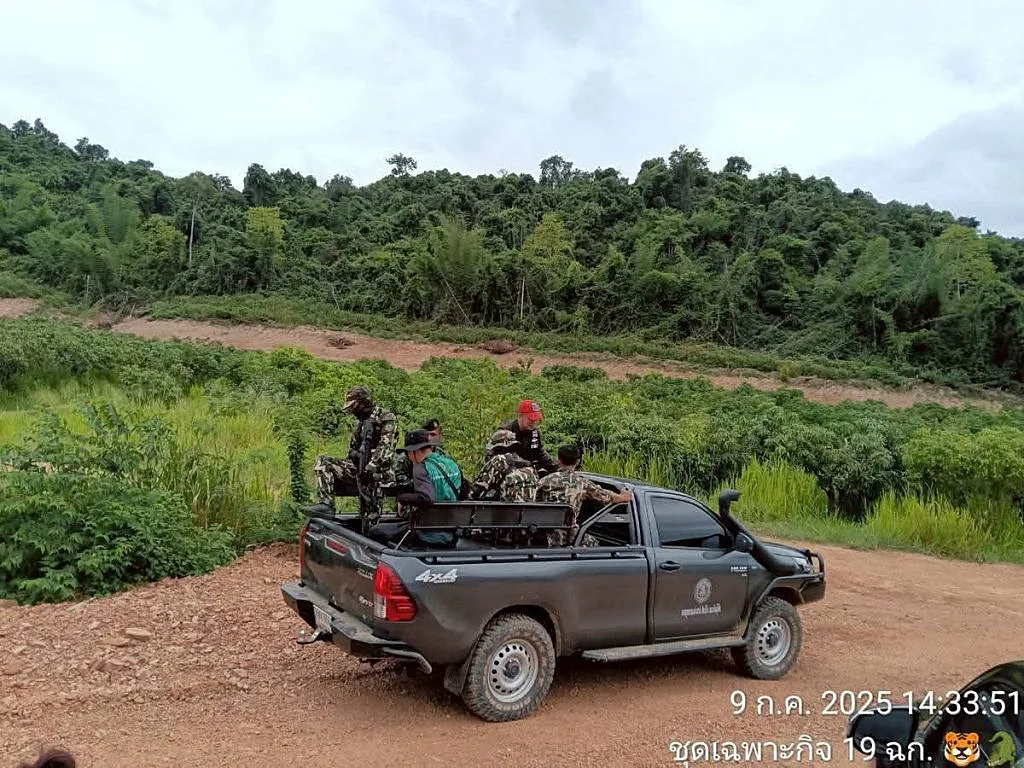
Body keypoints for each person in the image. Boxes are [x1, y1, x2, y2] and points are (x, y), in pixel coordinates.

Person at [309, 385, 399, 527]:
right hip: (358, 467)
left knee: (369, 519)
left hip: (378, 473)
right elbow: (353, 448)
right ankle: (326, 505)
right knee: (323, 462)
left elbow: (386, 448)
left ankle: (370, 528)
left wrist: (371, 466)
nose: (352, 410)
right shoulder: (360, 422)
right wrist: (354, 455)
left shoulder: (385, 417)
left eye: (353, 406)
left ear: (363, 402)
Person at [369, 428, 464, 547]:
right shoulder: (451, 463)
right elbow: (464, 492)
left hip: (425, 531)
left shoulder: (421, 468)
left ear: (414, 451)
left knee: (375, 531)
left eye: (408, 453)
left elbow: (426, 498)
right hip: (449, 530)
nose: (409, 457)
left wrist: (402, 498)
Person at [536, 444, 633, 546]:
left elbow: (532, 501)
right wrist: (624, 496)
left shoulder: (544, 481)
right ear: (578, 461)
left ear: (558, 460)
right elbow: (609, 498)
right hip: (570, 538)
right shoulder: (583, 484)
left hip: (545, 537)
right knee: (596, 545)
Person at [469, 429, 539, 502]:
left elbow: (479, 488)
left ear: (499, 447)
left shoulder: (499, 460)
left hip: (505, 508)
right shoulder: (529, 465)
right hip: (529, 508)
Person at [501, 399, 557, 476]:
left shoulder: (534, 432)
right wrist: (528, 465)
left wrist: (555, 468)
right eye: (531, 419)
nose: (534, 422)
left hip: (529, 471)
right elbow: (505, 458)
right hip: (508, 472)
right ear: (520, 416)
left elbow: (540, 453)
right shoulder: (505, 432)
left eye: (536, 419)